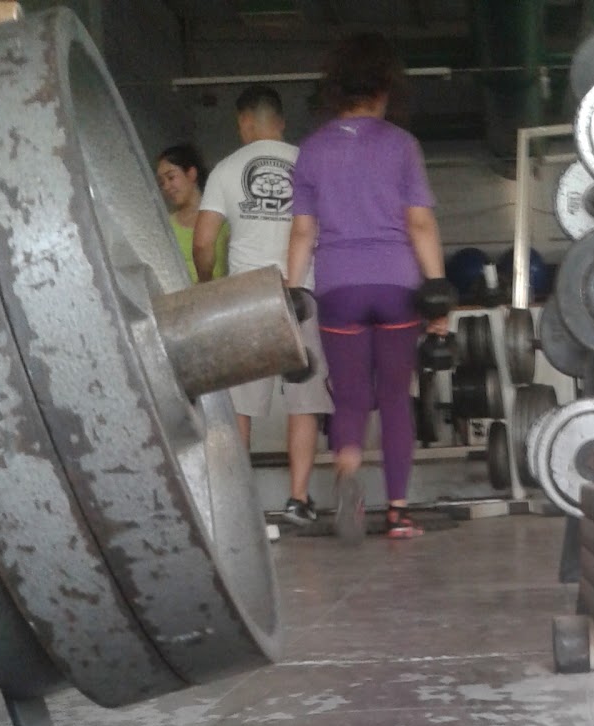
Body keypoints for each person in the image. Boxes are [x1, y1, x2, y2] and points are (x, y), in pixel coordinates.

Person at [287, 33, 448, 540]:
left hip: (339, 286)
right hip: (396, 283)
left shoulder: (311, 150)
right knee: (396, 398)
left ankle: (349, 466)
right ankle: (397, 513)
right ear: (384, 88)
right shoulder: (401, 145)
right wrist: (438, 290)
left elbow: (303, 232)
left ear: (336, 88)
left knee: (351, 397)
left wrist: (291, 290)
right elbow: (419, 223)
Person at [193, 85, 333, 530]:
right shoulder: (308, 163)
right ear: (281, 122)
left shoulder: (227, 168)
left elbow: (203, 241)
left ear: (244, 122)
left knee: (240, 405)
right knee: (303, 401)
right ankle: (298, 500)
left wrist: (207, 284)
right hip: (301, 291)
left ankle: (238, 504)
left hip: (246, 296)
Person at [156, 144, 227, 283]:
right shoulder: (166, 227)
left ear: (191, 174)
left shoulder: (221, 217)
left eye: (171, 177)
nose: (166, 187)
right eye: (162, 183)